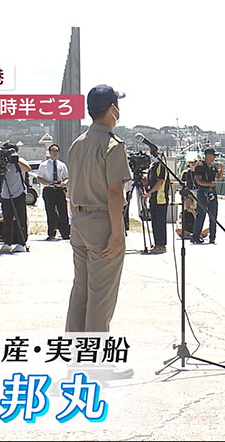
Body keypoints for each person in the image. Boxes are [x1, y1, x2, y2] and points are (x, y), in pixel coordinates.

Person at [65, 84, 133, 366]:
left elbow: (71, 186)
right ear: (112, 110)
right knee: (100, 297)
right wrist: (117, 233)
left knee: (80, 291)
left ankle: (74, 355)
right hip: (102, 221)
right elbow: (115, 192)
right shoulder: (112, 145)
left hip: (79, 221)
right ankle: (97, 364)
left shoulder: (77, 143)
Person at [0, 143, 31, 252]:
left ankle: (21, 243)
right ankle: (7, 242)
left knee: (21, 218)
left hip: (19, 192)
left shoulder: (19, 160)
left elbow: (27, 169)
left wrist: (16, 159)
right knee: (7, 219)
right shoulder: (3, 162)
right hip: (6, 193)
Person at [36, 144, 71, 240]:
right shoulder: (44, 165)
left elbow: (67, 177)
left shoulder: (62, 165)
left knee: (63, 212)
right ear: (49, 152)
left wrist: (64, 183)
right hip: (49, 190)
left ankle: (65, 233)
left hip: (59, 190)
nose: (54, 153)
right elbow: (39, 178)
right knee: (50, 212)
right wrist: (48, 183)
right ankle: (51, 233)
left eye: (56, 151)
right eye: (53, 151)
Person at [191, 147, 223, 244]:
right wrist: (209, 184)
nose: (214, 157)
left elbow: (219, 177)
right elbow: (198, 180)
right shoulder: (200, 166)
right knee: (201, 214)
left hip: (212, 191)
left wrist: (222, 169)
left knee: (213, 215)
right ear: (208, 155)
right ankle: (196, 235)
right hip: (203, 191)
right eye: (213, 155)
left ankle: (212, 236)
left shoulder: (213, 166)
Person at [142, 155, 172, 253]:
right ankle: (157, 243)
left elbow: (161, 181)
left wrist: (149, 192)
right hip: (153, 199)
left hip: (160, 198)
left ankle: (162, 244)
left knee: (160, 223)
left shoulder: (162, 166)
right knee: (154, 222)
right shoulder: (152, 166)